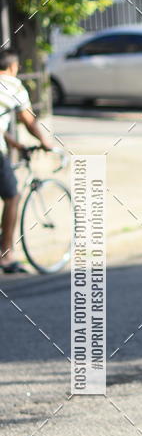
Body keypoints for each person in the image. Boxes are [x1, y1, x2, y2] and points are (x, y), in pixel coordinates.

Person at [0, 48, 53, 273]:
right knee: (12, 196)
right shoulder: (12, 85)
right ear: (13, 67)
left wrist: (14, 144)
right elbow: (28, 121)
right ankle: (6, 255)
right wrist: (45, 141)